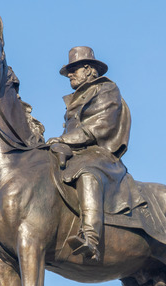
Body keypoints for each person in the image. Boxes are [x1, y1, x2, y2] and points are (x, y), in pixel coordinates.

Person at [46, 46, 131, 262]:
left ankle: (91, 239)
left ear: (88, 69)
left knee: (87, 172)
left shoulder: (107, 89)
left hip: (100, 153)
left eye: (74, 69)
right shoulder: (76, 98)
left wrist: (64, 139)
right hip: (77, 151)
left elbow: (101, 126)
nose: (70, 75)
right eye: (69, 71)